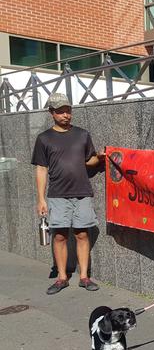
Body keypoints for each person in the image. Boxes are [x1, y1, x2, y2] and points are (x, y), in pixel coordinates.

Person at [31, 93, 105, 295]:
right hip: (57, 195)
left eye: (68, 110)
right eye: (61, 111)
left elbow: (89, 160)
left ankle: (84, 277)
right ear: (51, 113)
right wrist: (40, 199)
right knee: (60, 236)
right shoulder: (44, 138)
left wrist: (100, 158)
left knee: (82, 234)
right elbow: (41, 169)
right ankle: (62, 277)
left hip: (82, 192)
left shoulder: (82, 135)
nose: (66, 115)